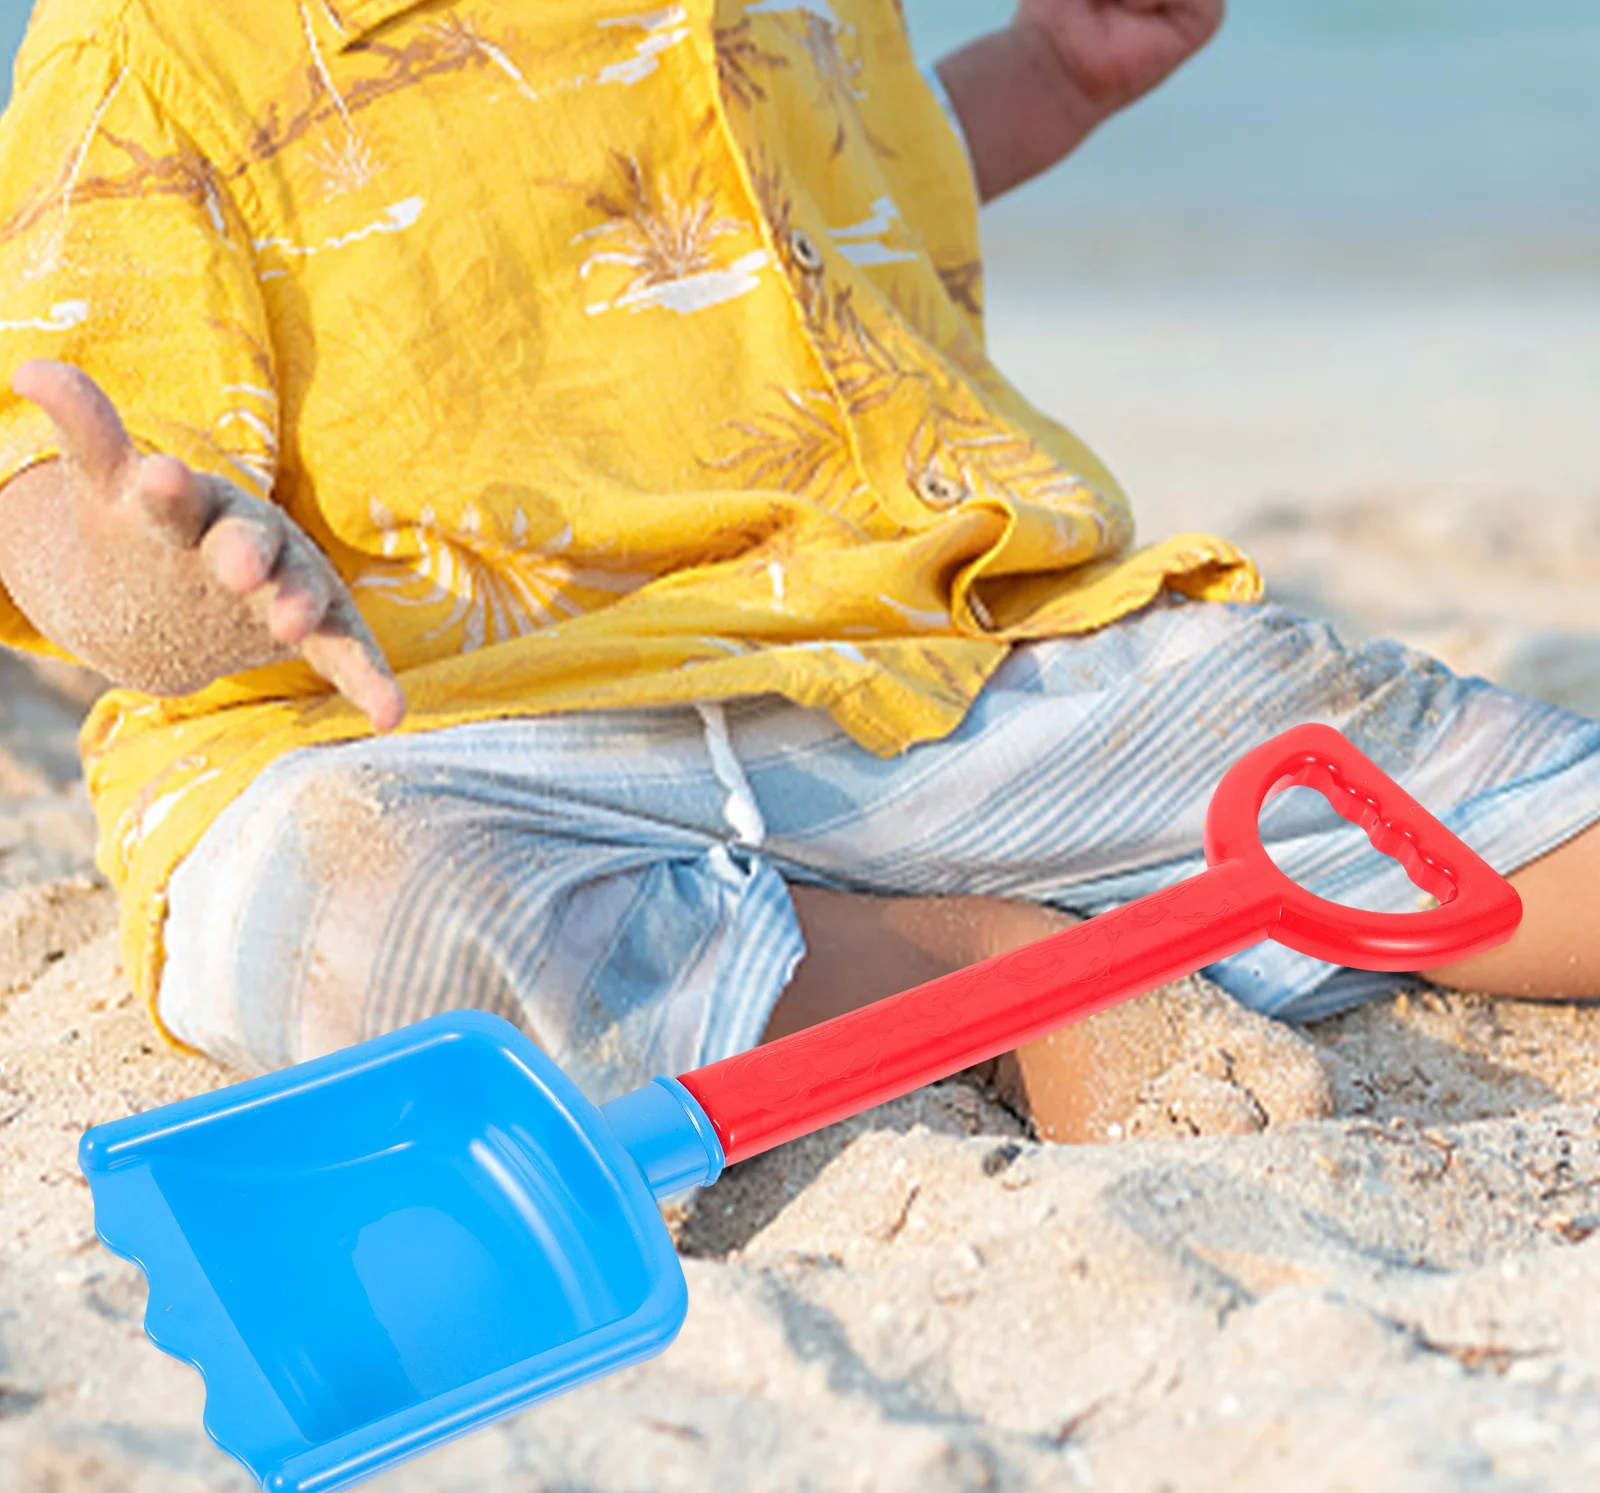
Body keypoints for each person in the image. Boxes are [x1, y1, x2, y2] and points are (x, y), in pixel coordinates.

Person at [0, 0, 1595, 1144]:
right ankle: (1000, 965)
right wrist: (165, 584)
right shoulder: (152, 49)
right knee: (353, 912)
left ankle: (911, 939)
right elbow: (51, 481)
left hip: (931, 660)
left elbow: (783, 210)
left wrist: (1045, 74)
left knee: (1298, 698)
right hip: (454, 742)